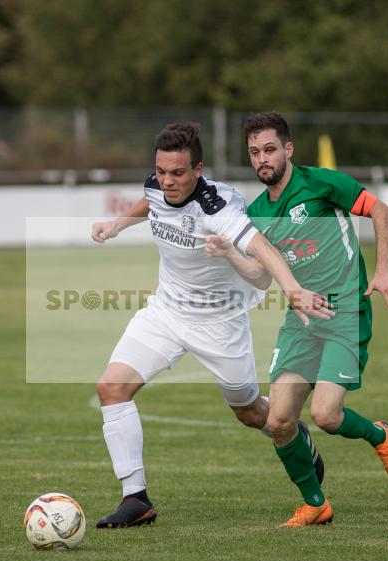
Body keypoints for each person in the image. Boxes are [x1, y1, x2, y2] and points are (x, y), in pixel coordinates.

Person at [90, 122, 333, 528]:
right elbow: (150, 201)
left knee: (253, 415)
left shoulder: (219, 208)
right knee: (110, 388)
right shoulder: (157, 184)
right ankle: (136, 499)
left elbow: (261, 247)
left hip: (220, 323)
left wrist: (291, 287)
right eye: (161, 171)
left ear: (198, 170)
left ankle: (293, 430)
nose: (167, 181)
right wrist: (117, 224)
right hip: (165, 312)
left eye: (178, 173)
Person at [208, 112, 388, 527]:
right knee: (279, 420)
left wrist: (384, 269)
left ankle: (379, 435)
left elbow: (382, 212)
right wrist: (230, 253)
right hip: (300, 320)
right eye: (254, 153)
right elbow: (262, 276)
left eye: (269, 149)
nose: (262, 159)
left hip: (344, 313)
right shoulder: (258, 211)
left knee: (325, 415)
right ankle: (315, 503)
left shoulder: (322, 184)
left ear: (288, 149)